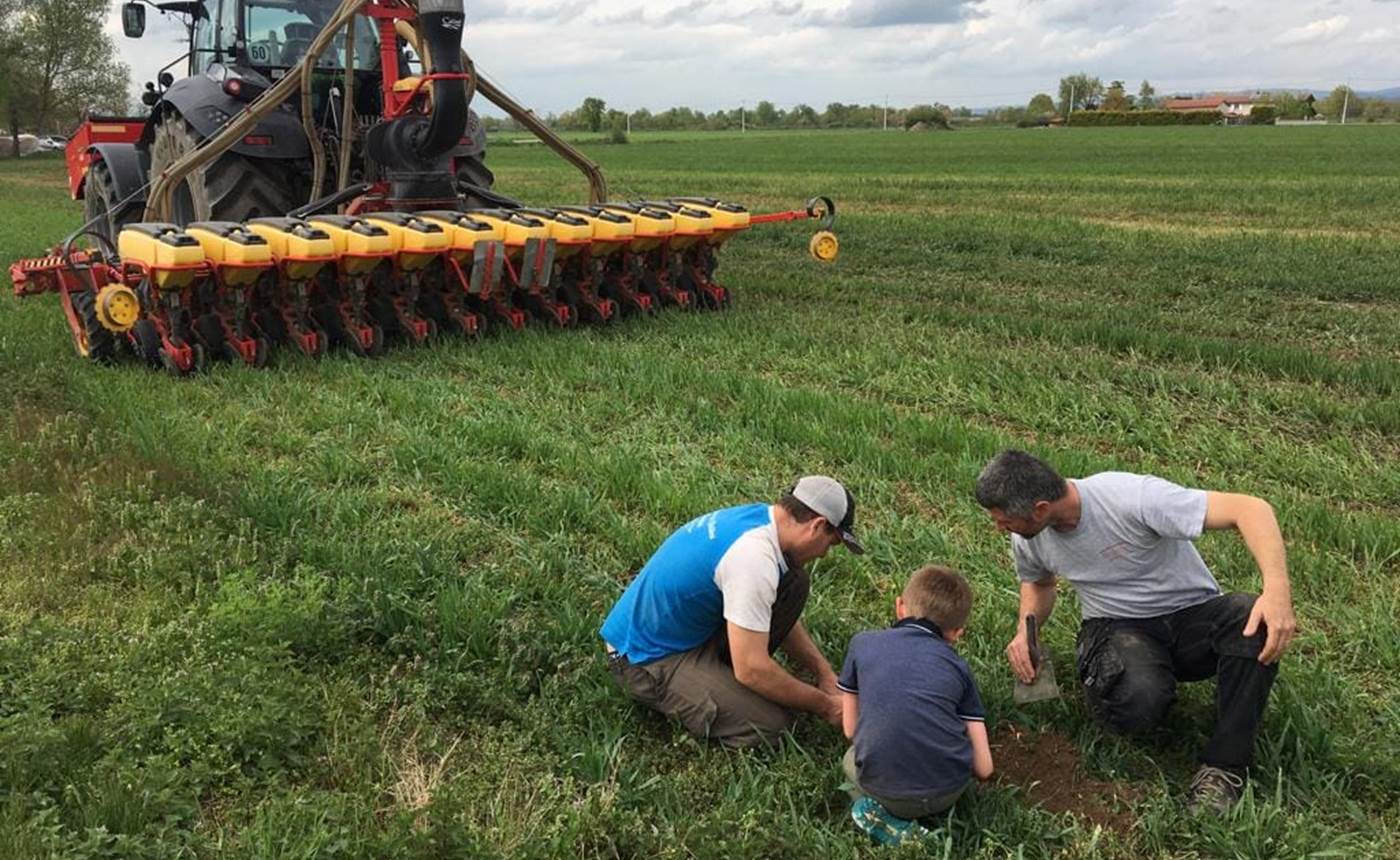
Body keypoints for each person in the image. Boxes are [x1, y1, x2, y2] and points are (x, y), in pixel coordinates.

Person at [974, 450, 1298, 813]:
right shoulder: (1028, 536)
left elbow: (1250, 509)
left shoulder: (1132, 498)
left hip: (1191, 615)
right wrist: (1026, 631)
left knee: (1252, 618)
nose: (999, 528)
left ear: (1040, 508)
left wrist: (1277, 592)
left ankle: (1225, 767)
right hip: (1117, 626)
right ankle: (1140, 682)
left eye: (1004, 521)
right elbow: (1039, 583)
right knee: (1138, 702)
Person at [600, 475, 864, 749]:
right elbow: (751, 670)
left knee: (793, 582)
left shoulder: (760, 520)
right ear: (817, 525)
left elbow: (763, 608)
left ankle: (719, 675)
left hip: (682, 631)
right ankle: (699, 686)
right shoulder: (753, 558)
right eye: (830, 544)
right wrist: (826, 706)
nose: (824, 554)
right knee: (772, 725)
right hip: (643, 659)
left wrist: (823, 672)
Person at [838, 565, 994, 821]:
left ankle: (880, 817)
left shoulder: (862, 644)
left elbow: (850, 730)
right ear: (957, 633)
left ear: (900, 606)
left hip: (883, 790)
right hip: (947, 793)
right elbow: (985, 768)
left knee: (849, 760)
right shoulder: (958, 667)